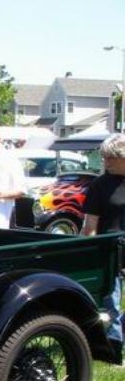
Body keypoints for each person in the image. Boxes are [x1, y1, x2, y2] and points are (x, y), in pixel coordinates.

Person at [81, 133, 125, 357]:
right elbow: (90, 226)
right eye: (104, 157)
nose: (106, 162)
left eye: (110, 158)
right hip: (109, 252)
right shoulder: (99, 185)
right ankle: (113, 350)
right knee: (111, 304)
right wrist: (87, 253)